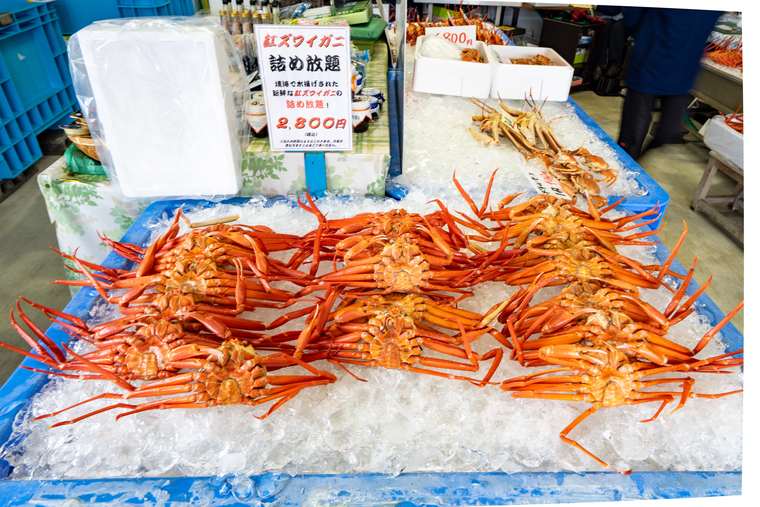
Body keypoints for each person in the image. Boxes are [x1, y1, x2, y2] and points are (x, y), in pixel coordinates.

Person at [618, 8, 722, 159]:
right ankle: (622, 170)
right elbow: (633, 14)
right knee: (632, 135)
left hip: (684, 68)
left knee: (668, 132)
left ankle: (632, 165)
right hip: (650, 59)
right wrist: (644, 34)